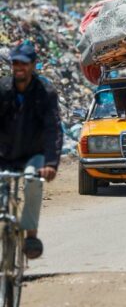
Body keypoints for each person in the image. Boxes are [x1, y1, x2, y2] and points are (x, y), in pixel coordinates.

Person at [0, 43, 63, 259]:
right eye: (15, 62)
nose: (19, 67)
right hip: (4, 154)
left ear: (33, 65)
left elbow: (53, 128)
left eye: (24, 63)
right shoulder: (3, 90)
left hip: (33, 154)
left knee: (33, 181)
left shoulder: (45, 92)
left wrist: (51, 164)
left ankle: (30, 235)